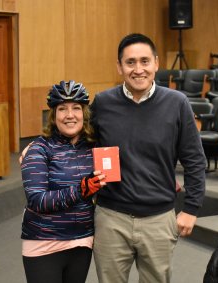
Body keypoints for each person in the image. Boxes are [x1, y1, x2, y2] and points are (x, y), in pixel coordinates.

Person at [90, 33, 206, 283]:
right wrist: (39, 147)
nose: (138, 69)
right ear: (119, 66)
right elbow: (78, 144)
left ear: (156, 63)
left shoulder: (177, 103)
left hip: (159, 219)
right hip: (111, 218)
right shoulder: (102, 103)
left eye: (145, 61)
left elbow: (195, 160)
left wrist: (191, 208)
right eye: (130, 62)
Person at [19, 80, 105, 283]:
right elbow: (37, 200)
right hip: (44, 243)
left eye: (76, 108)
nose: (69, 115)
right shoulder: (39, 149)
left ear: (84, 113)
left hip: (82, 241)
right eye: (62, 109)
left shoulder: (93, 147)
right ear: (53, 115)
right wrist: (81, 190)